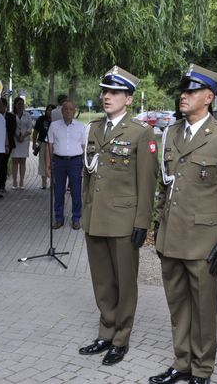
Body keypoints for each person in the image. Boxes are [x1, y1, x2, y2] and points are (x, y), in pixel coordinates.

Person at [149, 64, 217, 384]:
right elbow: (165, 185)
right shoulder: (171, 133)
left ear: (209, 98)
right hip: (172, 236)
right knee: (178, 305)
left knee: (203, 309)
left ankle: (202, 369)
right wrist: (158, 227)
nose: (183, 96)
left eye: (191, 91)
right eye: (183, 90)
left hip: (204, 240)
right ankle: (182, 362)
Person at [79, 66, 158, 366]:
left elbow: (146, 182)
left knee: (125, 282)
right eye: (104, 91)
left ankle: (121, 338)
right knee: (102, 281)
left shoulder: (141, 132)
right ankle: (106, 331)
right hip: (96, 218)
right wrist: (85, 212)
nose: (106, 96)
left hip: (124, 222)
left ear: (129, 98)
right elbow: (88, 176)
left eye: (114, 92)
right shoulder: (94, 128)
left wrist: (142, 223)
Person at [46, 100, 85, 229]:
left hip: (76, 162)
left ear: (74, 111)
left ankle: (76, 218)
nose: (68, 112)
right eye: (66, 109)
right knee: (58, 191)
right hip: (59, 162)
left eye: (71, 109)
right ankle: (58, 218)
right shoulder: (54, 125)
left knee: (76, 191)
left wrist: (85, 165)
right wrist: (48, 164)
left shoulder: (81, 126)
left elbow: (85, 147)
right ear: (62, 111)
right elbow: (49, 145)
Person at [10, 97, 33, 189]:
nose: (20, 105)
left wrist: (23, 136)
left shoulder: (27, 115)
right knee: (15, 161)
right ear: (15, 105)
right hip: (15, 140)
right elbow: (10, 127)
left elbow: (30, 128)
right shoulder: (11, 115)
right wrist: (16, 136)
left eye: (22, 104)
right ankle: (14, 181)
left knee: (23, 162)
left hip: (24, 140)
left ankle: (22, 182)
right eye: (19, 103)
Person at [32, 104, 54, 189]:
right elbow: (35, 132)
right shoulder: (41, 119)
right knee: (42, 162)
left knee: (52, 162)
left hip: (53, 144)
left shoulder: (55, 121)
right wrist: (34, 143)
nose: (50, 112)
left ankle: (52, 182)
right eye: (49, 110)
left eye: (52, 110)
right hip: (42, 143)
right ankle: (44, 182)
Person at [0, 97, 17, 193]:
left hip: (7, 144)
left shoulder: (11, 116)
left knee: (4, 165)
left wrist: (6, 143)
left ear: (5, 106)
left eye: (0, 105)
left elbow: (12, 131)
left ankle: (2, 185)